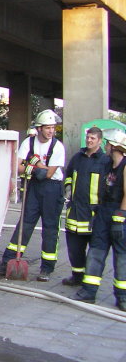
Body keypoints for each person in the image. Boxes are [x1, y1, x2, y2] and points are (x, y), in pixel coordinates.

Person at [0, 109, 66, 281]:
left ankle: (47, 268)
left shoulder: (57, 147)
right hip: (33, 188)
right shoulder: (28, 143)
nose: (51, 131)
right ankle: (9, 260)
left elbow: (48, 173)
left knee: (50, 228)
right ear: (39, 128)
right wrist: (37, 166)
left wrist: (31, 163)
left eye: (53, 128)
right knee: (25, 223)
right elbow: (18, 167)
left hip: (52, 189)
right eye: (48, 128)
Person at [71, 129, 126, 310]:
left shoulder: (124, 166)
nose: (106, 147)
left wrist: (120, 217)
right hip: (103, 213)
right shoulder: (108, 165)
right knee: (96, 251)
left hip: (119, 214)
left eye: (108, 144)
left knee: (121, 257)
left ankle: (122, 297)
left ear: (114, 146)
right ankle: (89, 292)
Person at [61, 126, 110, 286]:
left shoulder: (105, 161)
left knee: (94, 250)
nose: (89, 140)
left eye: (93, 138)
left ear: (100, 141)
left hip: (93, 215)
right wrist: (68, 188)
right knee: (74, 249)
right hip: (74, 212)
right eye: (88, 137)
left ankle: (90, 280)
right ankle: (77, 276)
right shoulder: (77, 157)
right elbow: (68, 175)